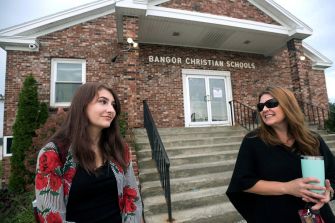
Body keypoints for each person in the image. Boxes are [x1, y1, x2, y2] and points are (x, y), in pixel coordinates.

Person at [35, 82, 142, 223]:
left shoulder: (119, 149)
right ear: (82, 106)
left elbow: (132, 198)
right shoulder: (53, 154)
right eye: (103, 102)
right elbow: (51, 217)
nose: (111, 110)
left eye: (113, 104)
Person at [226, 86, 335, 223]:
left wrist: (328, 193)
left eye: (271, 104)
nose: (264, 109)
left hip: (313, 214)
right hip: (276, 215)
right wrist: (287, 187)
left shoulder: (312, 139)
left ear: (288, 105)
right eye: (261, 106)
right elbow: (242, 182)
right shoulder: (253, 141)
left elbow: (332, 175)